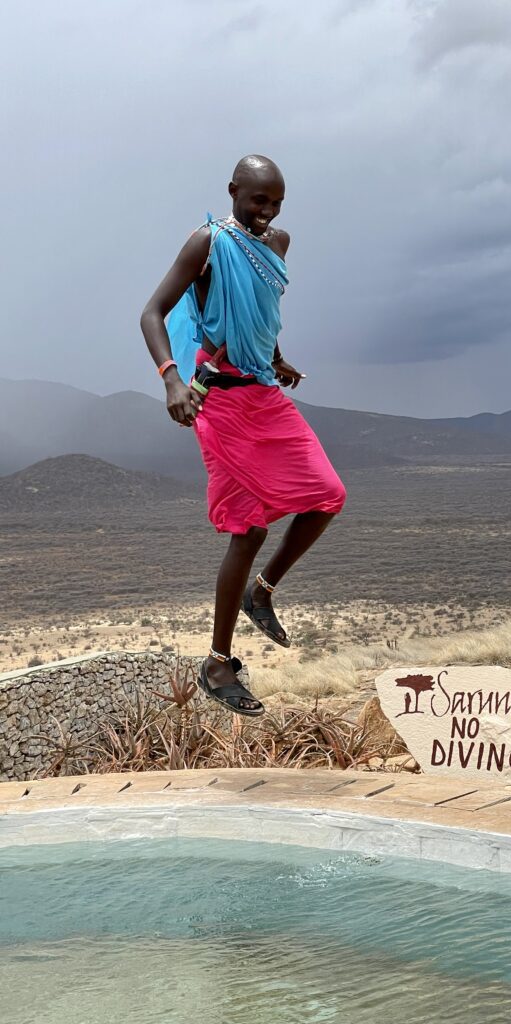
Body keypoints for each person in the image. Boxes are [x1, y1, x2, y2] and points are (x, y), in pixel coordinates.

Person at [140, 154, 346, 717]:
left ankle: (264, 591)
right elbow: (152, 313)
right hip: (219, 402)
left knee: (328, 495)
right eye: (258, 200)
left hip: (263, 395)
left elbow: (262, 312)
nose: (267, 212)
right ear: (233, 191)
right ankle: (217, 662)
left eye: (276, 203)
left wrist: (275, 358)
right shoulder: (206, 243)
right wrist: (171, 381)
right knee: (247, 528)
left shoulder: (277, 244)